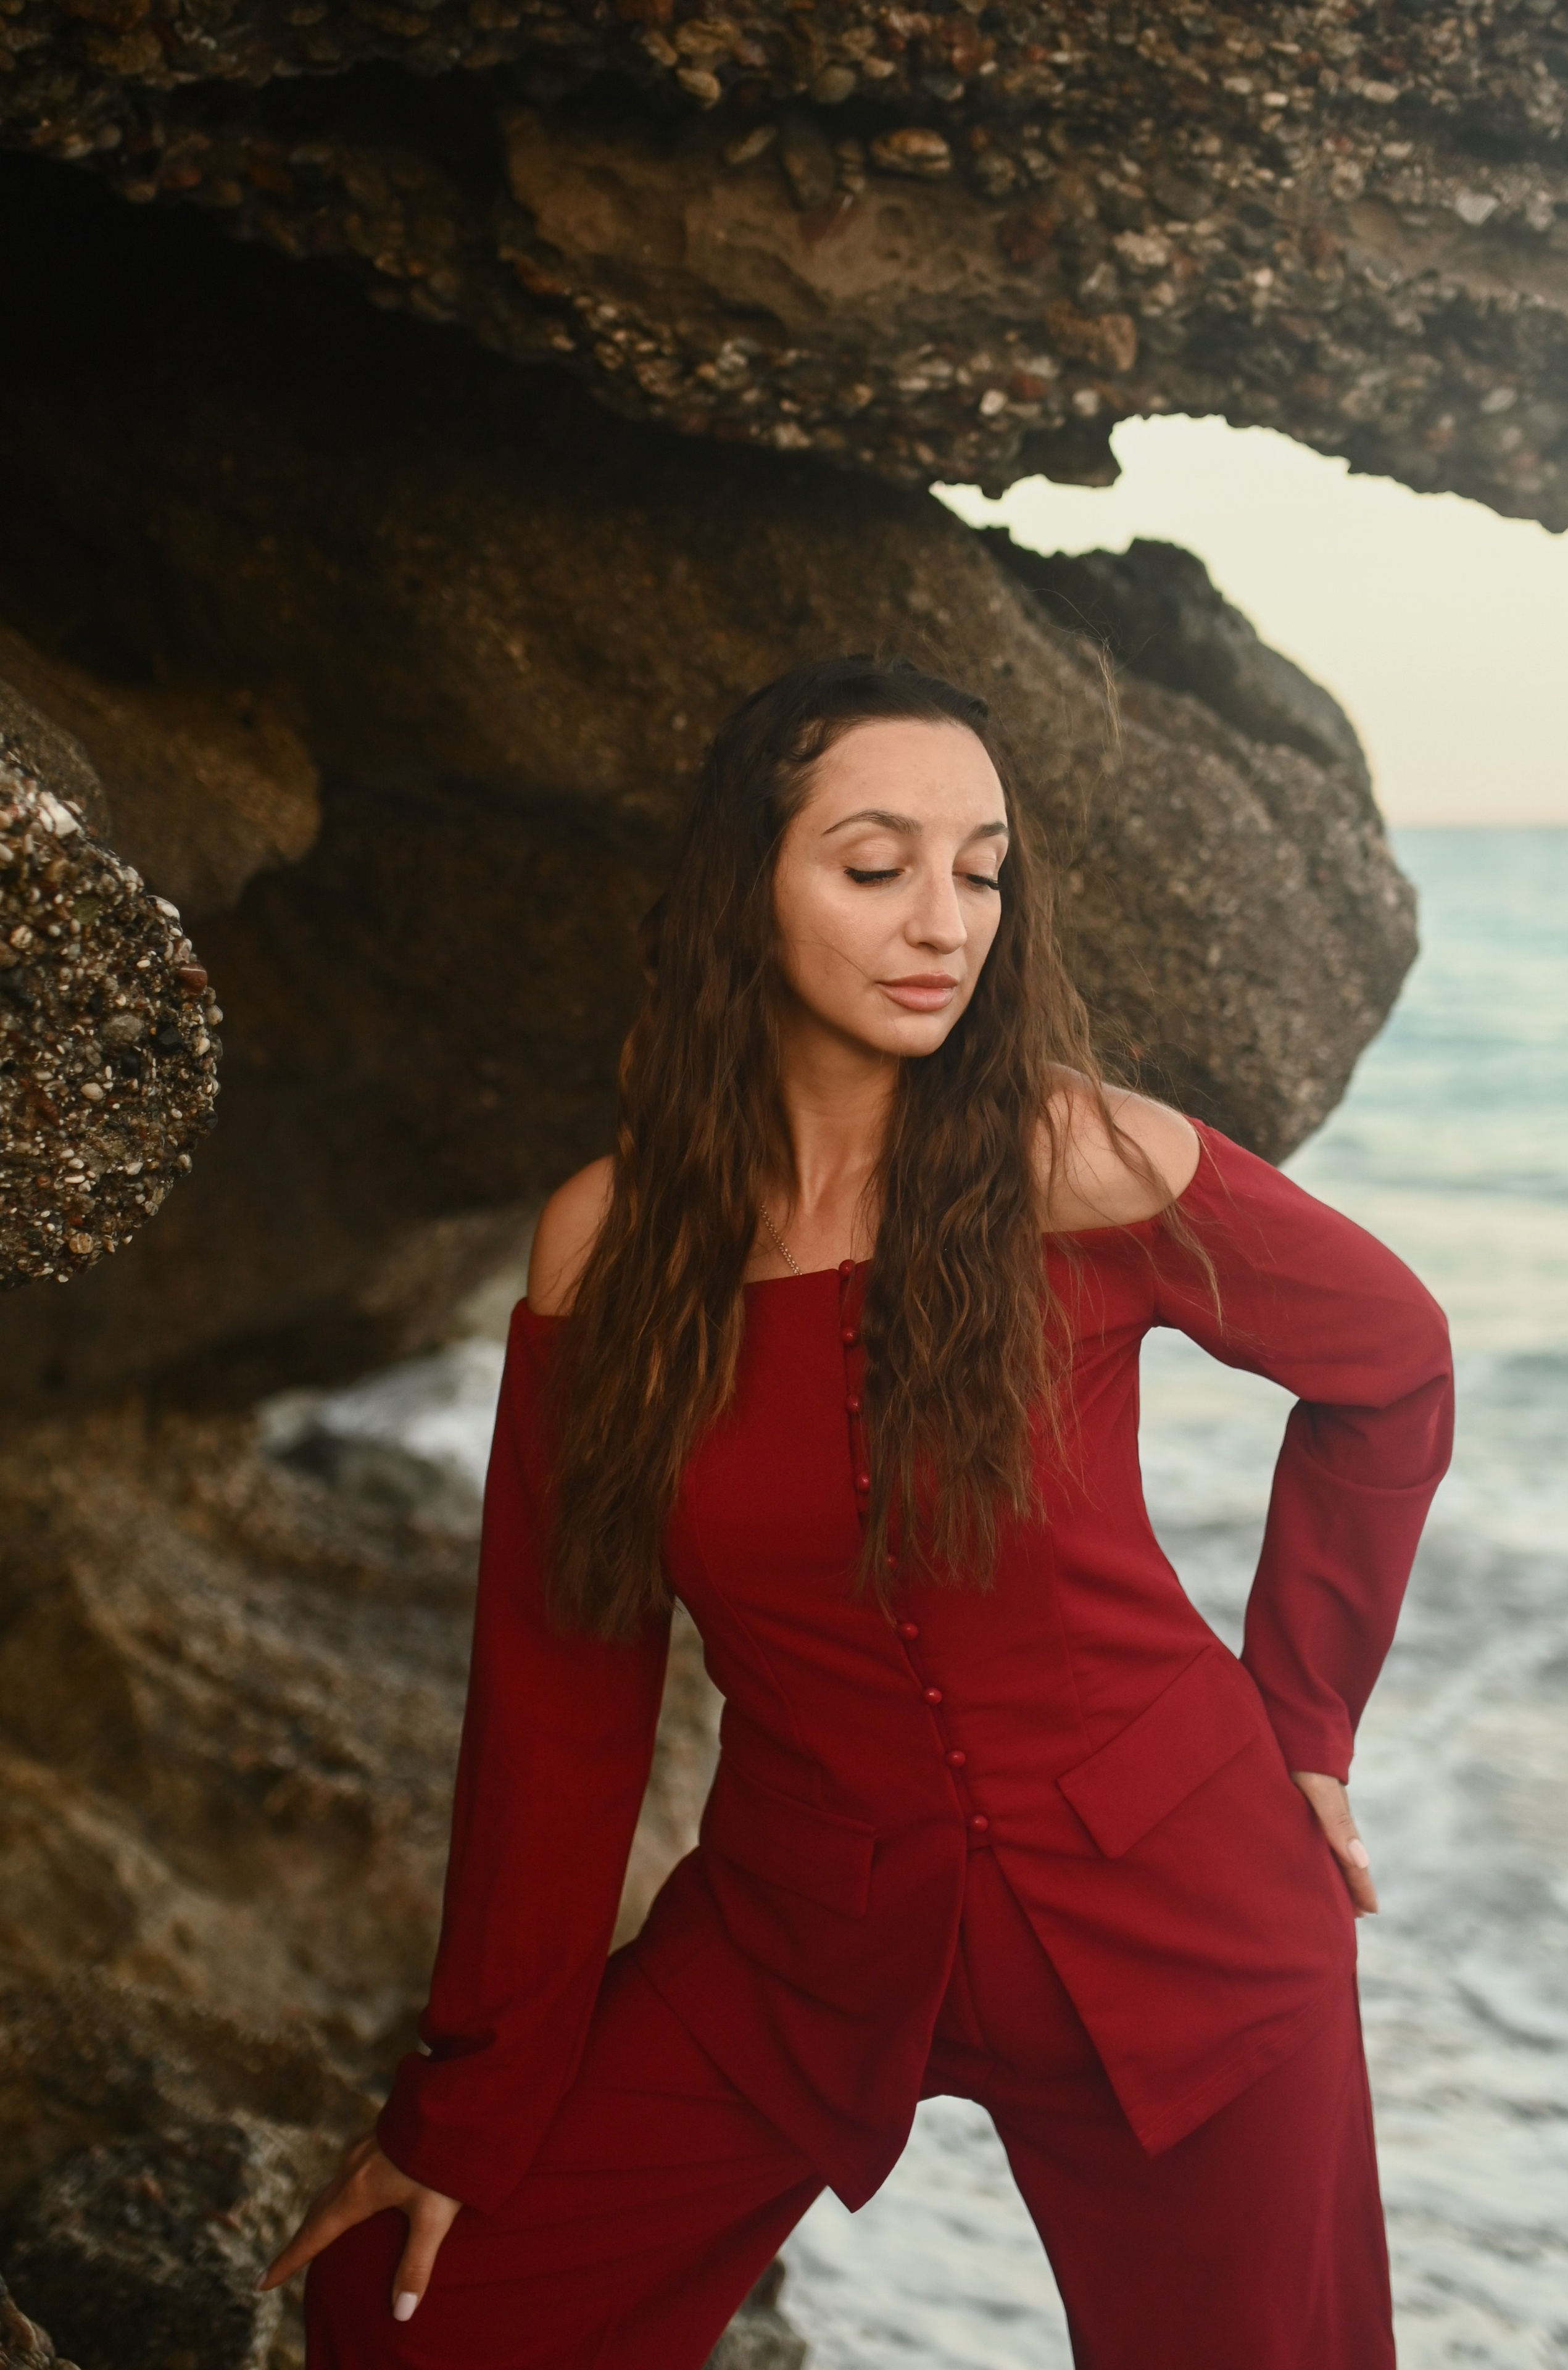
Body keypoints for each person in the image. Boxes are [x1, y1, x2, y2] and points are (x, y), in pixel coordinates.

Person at [265, 655, 1454, 2369]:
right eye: (875, 863)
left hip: (1185, 1912)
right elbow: (559, 1702)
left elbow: (1393, 1364)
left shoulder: (1089, 1162)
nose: (944, 923)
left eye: (982, 870)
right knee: (410, 2314)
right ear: (747, 887)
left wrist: (1308, 1716)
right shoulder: (605, 1253)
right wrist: (471, 2096)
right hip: (794, 1931)